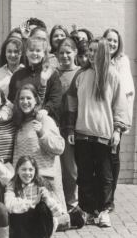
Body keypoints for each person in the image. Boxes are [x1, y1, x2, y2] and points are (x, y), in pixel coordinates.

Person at [66, 38, 130, 227]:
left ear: (104, 52)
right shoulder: (81, 75)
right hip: (82, 134)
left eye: (96, 51)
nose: (92, 54)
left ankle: (103, 211)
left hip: (105, 136)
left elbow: (120, 105)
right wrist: (70, 128)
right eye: (90, 51)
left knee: (105, 177)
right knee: (84, 175)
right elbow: (71, 104)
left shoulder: (113, 76)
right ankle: (86, 210)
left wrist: (117, 130)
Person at [12, 84, 66, 215]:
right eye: (22, 98)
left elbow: (59, 147)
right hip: (24, 180)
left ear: (36, 100)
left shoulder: (44, 119)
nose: (25, 102)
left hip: (44, 179)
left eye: (29, 98)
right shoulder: (19, 122)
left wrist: (42, 133)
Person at [103, 28, 135, 211]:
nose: (112, 44)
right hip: (100, 117)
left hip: (115, 118)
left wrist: (119, 125)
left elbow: (124, 90)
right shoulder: (100, 58)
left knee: (113, 156)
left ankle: (110, 198)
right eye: (109, 40)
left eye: (115, 41)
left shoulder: (122, 61)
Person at [7, 36, 61, 125]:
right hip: (22, 124)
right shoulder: (17, 75)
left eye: (38, 50)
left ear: (44, 53)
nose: (34, 53)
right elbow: (12, 99)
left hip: (45, 122)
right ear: (26, 52)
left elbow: (56, 99)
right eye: (31, 50)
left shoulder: (52, 74)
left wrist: (45, 110)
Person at [5, 156, 61, 238]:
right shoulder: (12, 185)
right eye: (24, 169)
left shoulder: (42, 184)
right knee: (17, 211)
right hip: (22, 227)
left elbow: (58, 212)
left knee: (42, 206)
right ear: (17, 170)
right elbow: (9, 204)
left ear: (35, 171)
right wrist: (32, 203)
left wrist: (47, 199)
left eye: (31, 169)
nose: (27, 173)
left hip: (39, 228)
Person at [55, 37, 80, 210]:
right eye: (61, 53)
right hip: (57, 126)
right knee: (60, 170)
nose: (65, 56)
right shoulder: (54, 73)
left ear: (75, 52)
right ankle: (62, 203)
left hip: (75, 127)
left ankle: (73, 203)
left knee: (72, 170)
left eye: (68, 53)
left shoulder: (80, 73)